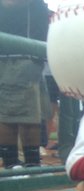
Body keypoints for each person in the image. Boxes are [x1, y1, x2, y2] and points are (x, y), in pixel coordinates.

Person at [0, 0, 50, 169]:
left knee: (29, 114)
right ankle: (15, 165)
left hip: (27, 55)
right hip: (15, 57)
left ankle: (27, 164)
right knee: (12, 113)